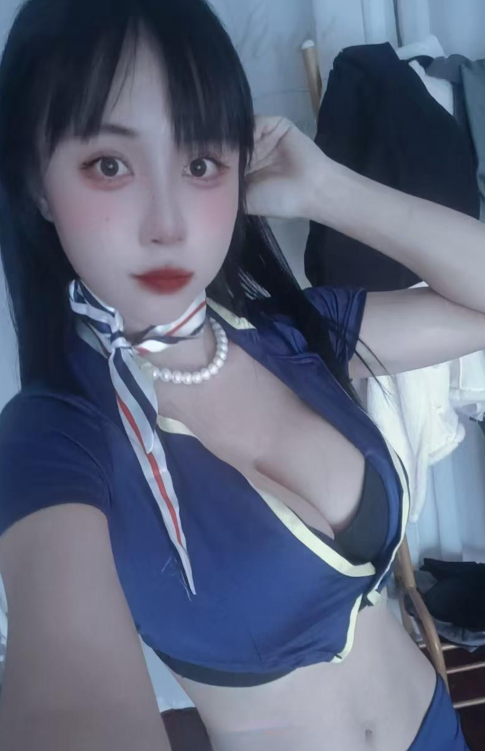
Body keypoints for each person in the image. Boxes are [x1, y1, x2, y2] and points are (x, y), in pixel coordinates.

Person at [0, 1, 480, 750]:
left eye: (199, 164)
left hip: (437, 727)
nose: (168, 222)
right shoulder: (55, 434)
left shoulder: (290, 331)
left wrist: (326, 188)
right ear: (38, 185)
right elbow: (70, 700)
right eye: (110, 164)